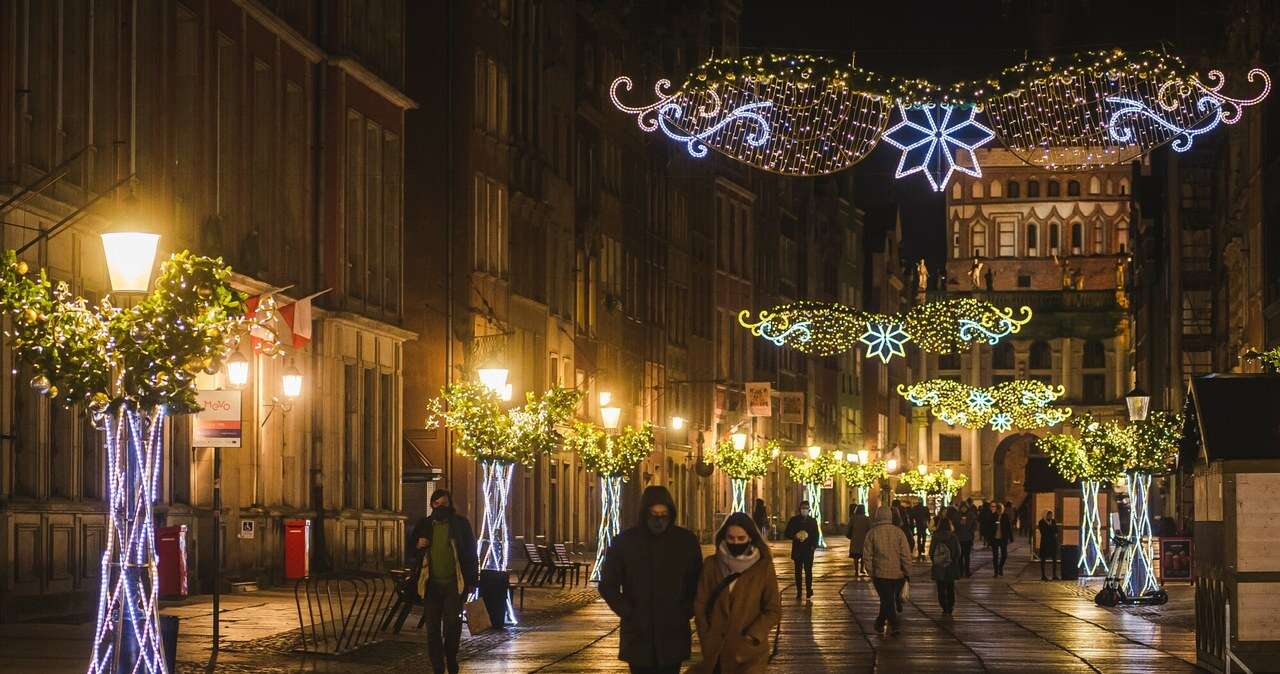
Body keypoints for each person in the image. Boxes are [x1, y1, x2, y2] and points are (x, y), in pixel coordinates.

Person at [600, 485, 704, 674]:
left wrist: (685, 610)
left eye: (664, 514)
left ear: (671, 514)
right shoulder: (625, 542)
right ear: (644, 514)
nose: (658, 520)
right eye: (653, 514)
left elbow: (698, 582)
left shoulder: (685, 542)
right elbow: (608, 584)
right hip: (639, 633)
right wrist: (628, 611)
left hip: (673, 631)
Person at [690, 513, 781, 674]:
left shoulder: (763, 567)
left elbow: (773, 609)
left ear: (750, 538)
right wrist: (706, 635)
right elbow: (701, 603)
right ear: (724, 537)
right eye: (731, 538)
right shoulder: (712, 565)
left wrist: (753, 635)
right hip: (716, 650)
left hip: (750, 653)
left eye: (741, 538)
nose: (735, 542)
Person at [409, 490, 479, 674]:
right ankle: (437, 666)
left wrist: (473, 580)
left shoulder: (460, 525)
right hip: (430, 584)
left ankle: (451, 657)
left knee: (452, 626)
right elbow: (410, 551)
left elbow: (471, 553)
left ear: (450, 505)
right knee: (432, 628)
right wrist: (418, 546)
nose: (441, 507)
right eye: (437, 504)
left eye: (444, 504)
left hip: (454, 584)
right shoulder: (424, 525)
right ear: (432, 505)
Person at [862, 505, 912, 635]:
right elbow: (905, 554)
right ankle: (880, 623)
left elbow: (867, 555)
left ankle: (893, 624)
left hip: (880, 573)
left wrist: (870, 571)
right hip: (897, 574)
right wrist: (907, 571)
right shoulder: (898, 532)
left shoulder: (872, 533)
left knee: (886, 600)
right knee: (888, 599)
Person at [783, 501, 820, 600]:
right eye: (803, 508)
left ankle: (809, 591)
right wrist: (795, 536)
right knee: (798, 572)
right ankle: (799, 592)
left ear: (809, 509)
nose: (804, 510)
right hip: (798, 550)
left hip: (808, 550)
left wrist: (813, 546)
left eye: (806, 508)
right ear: (800, 509)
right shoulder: (794, 520)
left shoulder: (812, 521)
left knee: (808, 571)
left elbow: (816, 535)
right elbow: (787, 533)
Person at [929, 517, 962, 616]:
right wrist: (954, 560)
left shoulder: (935, 537)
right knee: (950, 587)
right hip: (951, 565)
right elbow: (958, 552)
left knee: (940, 587)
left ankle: (944, 606)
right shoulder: (953, 537)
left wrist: (936, 561)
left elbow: (931, 552)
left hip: (939, 567)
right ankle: (950, 606)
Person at [847, 503, 871, 578]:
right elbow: (870, 528)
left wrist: (849, 535)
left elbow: (849, 528)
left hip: (855, 538)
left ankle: (856, 571)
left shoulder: (853, 518)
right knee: (863, 554)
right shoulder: (866, 518)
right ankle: (862, 569)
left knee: (856, 556)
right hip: (864, 538)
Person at [954, 502, 976, 577]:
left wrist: (970, 531)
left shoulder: (970, 515)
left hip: (967, 538)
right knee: (960, 556)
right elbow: (955, 525)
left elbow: (974, 525)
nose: (963, 509)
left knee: (967, 556)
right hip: (959, 538)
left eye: (965, 507)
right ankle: (960, 571)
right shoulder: (957, 515)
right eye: (962, 507)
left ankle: (967, 571)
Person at [991, 503, 1013, 577]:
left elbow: (1009, 527)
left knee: (1004, 555)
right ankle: (996, 571)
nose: (999, 510)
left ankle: (1000, 567)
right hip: (995, 538)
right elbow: (989, 527)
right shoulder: (993, 516)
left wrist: (1011, 537)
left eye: (1001, 509)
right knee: (995, 556)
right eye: (998, 509)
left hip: (1003, 538)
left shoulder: (1005, 516)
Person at [1037, 510, 1060, 581]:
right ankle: (1043, 575)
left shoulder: (1053, 521)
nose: (1050, 516)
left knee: (1054, 559)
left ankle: (1054, 575)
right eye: (1049, 515)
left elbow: (1056, 530)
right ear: (1045, 515)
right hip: (1045, 543)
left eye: (1051, 515)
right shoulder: (1041, 522)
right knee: (1043, 559)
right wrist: (1050, 529)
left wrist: (1051, 529)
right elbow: (1043, 532)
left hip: (1053, 543)